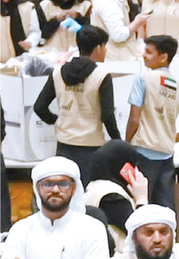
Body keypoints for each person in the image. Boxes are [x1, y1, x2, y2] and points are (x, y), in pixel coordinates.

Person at [32, 24, 121, 179]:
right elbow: (107, 115)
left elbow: (39, 107)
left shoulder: (58, 72)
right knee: (88, 195)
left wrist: (58, 120)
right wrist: (118, 143)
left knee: (66, 191)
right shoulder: (101, 75)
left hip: (64, 146)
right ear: (99, 47)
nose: (105, 51)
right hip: (91, 148)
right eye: (105, 46)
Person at [123, 35, 179, 209]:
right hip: (166, 156)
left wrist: (126, 144)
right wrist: (170, 138)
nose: (144, 56)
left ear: (163, 56)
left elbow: (134, 119)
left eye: (149, 52)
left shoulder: (143, 79)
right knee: (164, 208)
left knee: (140, 205)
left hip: (142, 153)